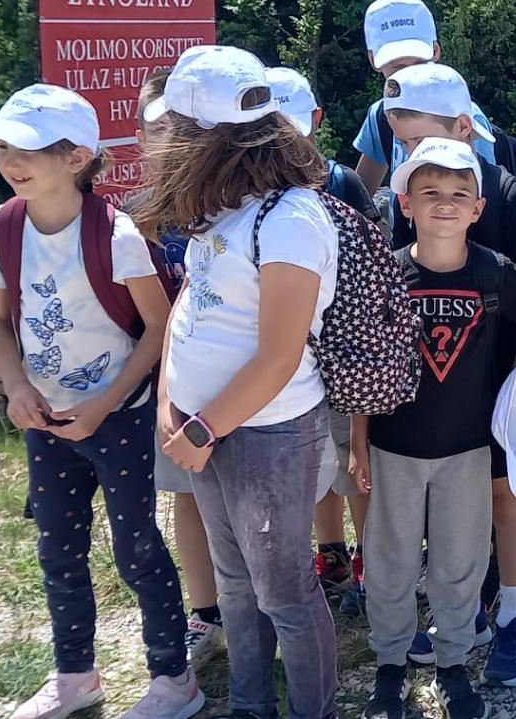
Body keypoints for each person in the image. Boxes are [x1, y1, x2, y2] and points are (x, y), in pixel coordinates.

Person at [0, 84, 196, 719]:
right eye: (3, 147)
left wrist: (106, 403)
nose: (11, 161)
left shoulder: (116, 233)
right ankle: (75, 675)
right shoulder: (0, 228)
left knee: (137, 547)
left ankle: (174, 678)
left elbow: (158, 326)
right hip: (47, 418)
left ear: (78, 157)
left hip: (120, 416)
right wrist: (17, 387)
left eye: (29, 149)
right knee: (58, 548)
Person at [137, 45, 341, 719]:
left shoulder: (291, 219)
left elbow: (279, 357)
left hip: (267, 432)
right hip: (208, 430)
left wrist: (200, 427)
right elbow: (187, 310)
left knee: (284, 591)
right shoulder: (226, 209)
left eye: (176, 130)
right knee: (235, 582)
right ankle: (252, 705)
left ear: (212, 137)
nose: (163, 145)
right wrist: (170, 403)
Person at [383, 63, 516, 684]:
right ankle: (460, 611)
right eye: (402, 143)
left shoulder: (507, 196)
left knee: (503, 498)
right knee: (446, 509)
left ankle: (514, 613)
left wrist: (512, 401)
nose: (410, 153)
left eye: (419, 138)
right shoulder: (410, 191)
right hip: (440, 387)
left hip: (495, 378)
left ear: (464, 128)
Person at [352, 138, 516, 719]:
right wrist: (358, 442)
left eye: (460, 194)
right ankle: (390, 666)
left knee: (459, 561)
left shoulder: (494, 271)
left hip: (467, 448)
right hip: (393, 445)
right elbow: (367, 362)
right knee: (389, 560)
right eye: (430, 191)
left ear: (478, 208)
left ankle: (453, 664)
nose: (445, 203)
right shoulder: (388, 273)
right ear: (404, 202)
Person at [264, 66, 379, 617]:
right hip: (286, 353)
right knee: (315, 466)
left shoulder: (342, 182)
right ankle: (331, 554)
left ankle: (369, 564)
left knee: (354, 463)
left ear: (316, 119)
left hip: (341, 346)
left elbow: (373, 260)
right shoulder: (250, 189)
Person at [132, 70, 225, 673]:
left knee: (256, 502)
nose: (170, 139)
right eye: (158, 127)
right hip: (174, 380)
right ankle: (207, 614)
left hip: (241, 378)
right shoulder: (137, 215)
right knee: (189, 499)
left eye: (181, 127)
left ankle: (264, 605)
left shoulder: (230, 201)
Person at [351, 0, 516, 204]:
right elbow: (358, 199)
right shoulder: (381, 115)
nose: (411, 75)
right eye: (398, 67)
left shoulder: (463, 116)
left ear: (435, 50)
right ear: (372, 59)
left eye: (418, 63)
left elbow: (484, 203)